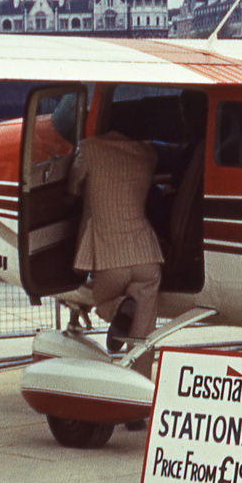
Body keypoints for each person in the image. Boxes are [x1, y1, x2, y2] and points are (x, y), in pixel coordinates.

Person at [68, 128, 164, 355]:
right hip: (147, 257)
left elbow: (73, 187)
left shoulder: (89, 149)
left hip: (112, 259)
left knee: (102, 301)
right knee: (143, 334)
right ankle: (141, 379)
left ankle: (119, 308)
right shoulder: (147, 154)